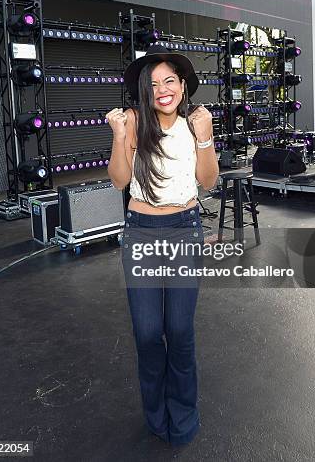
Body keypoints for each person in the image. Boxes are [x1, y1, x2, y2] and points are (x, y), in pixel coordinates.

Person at [106, 44, 219, 446]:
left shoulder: (196, 124)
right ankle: (157, 417)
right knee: (149, 333)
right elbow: (120, 180)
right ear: (144, 90)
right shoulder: (134, 122)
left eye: (170, 80)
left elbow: (208, 182)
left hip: (184, 230)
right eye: (153, 83)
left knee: (179, 330)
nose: (162, 89)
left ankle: (183, 417)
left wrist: (204, 139)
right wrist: (120, 137)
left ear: (183, 84)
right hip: (141, 233)